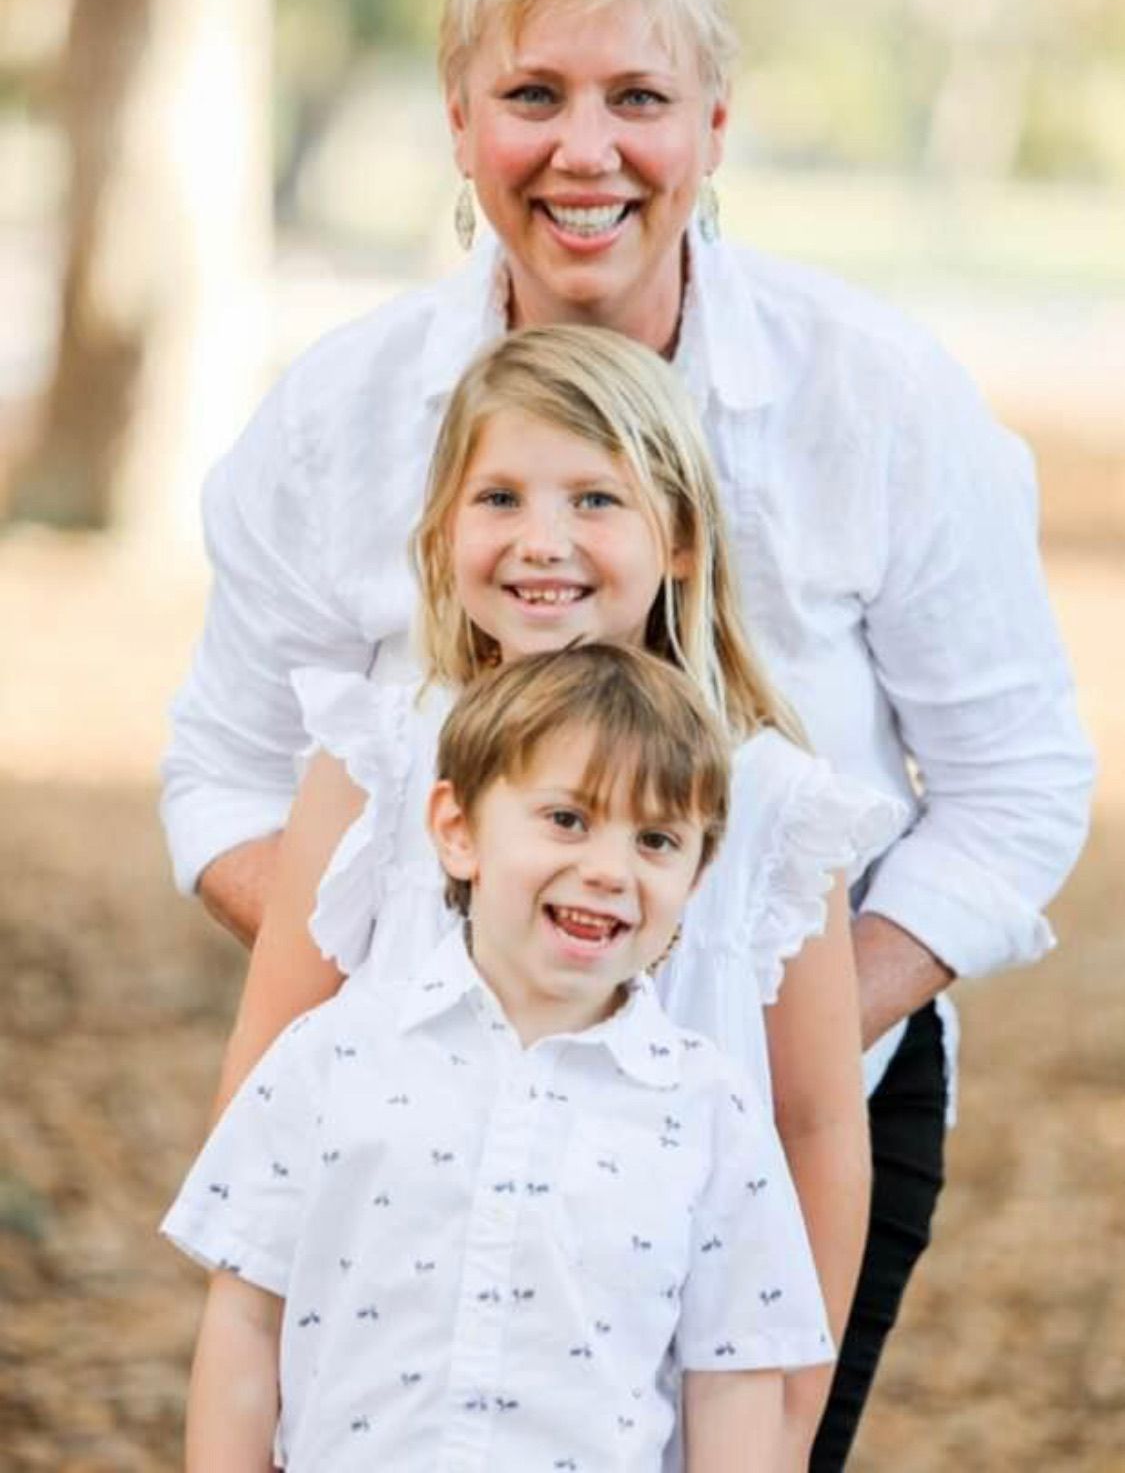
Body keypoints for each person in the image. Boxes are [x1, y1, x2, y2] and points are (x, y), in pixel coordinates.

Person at [161, 0, 1095, 1466]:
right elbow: (224, 780)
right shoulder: (340, 421)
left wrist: (718, 999)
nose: (583, 150)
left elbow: (1017, 795)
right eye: (532, 94)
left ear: (715, 124)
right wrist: (433, 992)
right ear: (459, 122)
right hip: (410, 1150)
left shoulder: (878, 400)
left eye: (638, 97)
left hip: (793, 1134)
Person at [211, 324, 898, 1467]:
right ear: (441, 533)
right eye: (500, 497)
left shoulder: (770, 798)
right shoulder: (379, 756)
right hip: (383, 1388)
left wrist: (783, 1426)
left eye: (594, 500)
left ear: (680, 539)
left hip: (630, 1399)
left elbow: (817, 1126)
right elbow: (273, 1049)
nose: (543, 541)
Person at [163, 643, 837, 1473]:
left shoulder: (708, 1110)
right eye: (568, 819)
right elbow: (246, 1320)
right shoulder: (333, 1055)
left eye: (657, 839)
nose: (608, 869)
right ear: (457, 830)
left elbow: (734, 1377)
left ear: (696, 879)